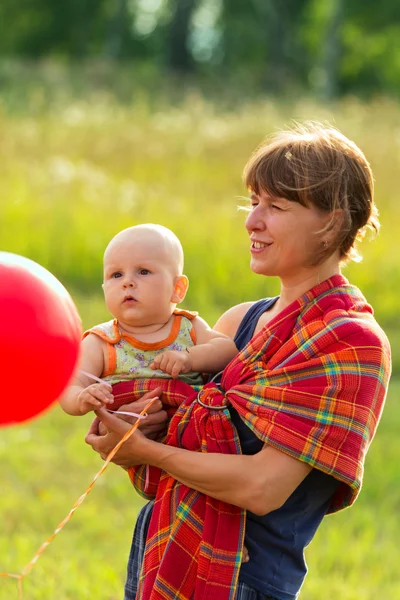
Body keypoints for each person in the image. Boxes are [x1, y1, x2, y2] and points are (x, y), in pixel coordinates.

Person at [85, 122, 391, 600]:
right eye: (253, 203)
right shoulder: (234, 324)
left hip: (244, 582)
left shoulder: (351, 343)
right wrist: (126, 425)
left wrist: (147, 452)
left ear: (331, 222)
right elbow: (177, 446)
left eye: (276, 206)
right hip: (161, 555)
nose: (252, 221)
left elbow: (263, 488)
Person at [59, 223, 238, 418]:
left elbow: (228, 351)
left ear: (177, 288)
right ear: (104, 289)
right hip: (127, 437)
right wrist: (80, 398)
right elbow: (69, 383)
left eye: (143, 271)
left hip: (187, 430)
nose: (127, 282)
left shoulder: (188, 327)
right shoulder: (102, 341)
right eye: (116, 275)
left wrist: (189, 358)